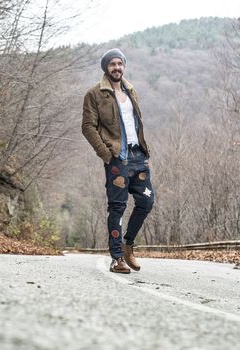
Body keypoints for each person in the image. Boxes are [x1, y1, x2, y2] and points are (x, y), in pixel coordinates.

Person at [82, 48, 155, 274]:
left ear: (124, 66)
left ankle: (128, 245)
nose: (117, 68)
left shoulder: (130, 90)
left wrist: (144, 150)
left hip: (138, 156)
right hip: (117, 159)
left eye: (120, 64)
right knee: (117, 207)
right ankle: (116, 258)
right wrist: (105, 154)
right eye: (112, 64)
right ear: (106, 68)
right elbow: (87, 127)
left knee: (146, 202)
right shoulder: (94, 94)